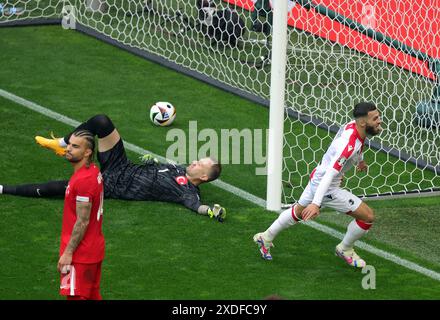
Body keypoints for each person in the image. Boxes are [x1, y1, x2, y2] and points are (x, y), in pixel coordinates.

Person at [0, 114, 226, 222]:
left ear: (204, 176)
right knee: (101, 122)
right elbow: (160, 169)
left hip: (114, 184)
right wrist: (152, 161)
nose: (195, 162)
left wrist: (210, 211)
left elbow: (195, 206)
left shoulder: (187, 191)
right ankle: (61, 143)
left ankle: (4, 189)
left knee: (62, 188)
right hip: (121, 165)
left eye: (200, 164)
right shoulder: (179, 168)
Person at [254, 102, 383, 268]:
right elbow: (331, 173)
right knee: (367, 217)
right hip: (327, 185)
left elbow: (354, 148)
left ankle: (265, 237)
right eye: (375, 118)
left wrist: (360, 161)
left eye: (379, 117)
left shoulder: (353, 127)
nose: (379, 121)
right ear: (363, 123)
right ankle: (345, 248)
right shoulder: (348, 145)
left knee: (298, 211)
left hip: (318, 176)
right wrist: (316, 203)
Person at [58, 129, 105, 300]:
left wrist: (68, 253)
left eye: (75, 146)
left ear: (87, 152)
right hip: (93, 248)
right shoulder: (92, 170)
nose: (68, 148)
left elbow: (82, 221)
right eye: (69, 144)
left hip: (81, 254)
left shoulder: (83, 180)